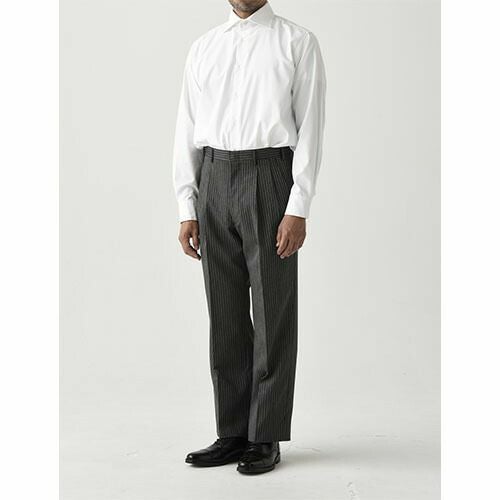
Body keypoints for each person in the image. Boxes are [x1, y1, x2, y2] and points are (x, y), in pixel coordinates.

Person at [172, 0, 326, 474]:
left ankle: (265, 434)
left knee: (273, 310)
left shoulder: (296, 42)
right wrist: (187, 205)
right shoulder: (204, 47)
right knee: (225, 314)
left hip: (270, 175)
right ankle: (233, 432)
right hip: (214, 176)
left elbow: (311, 127)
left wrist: (297, 206)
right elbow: (187, 126)